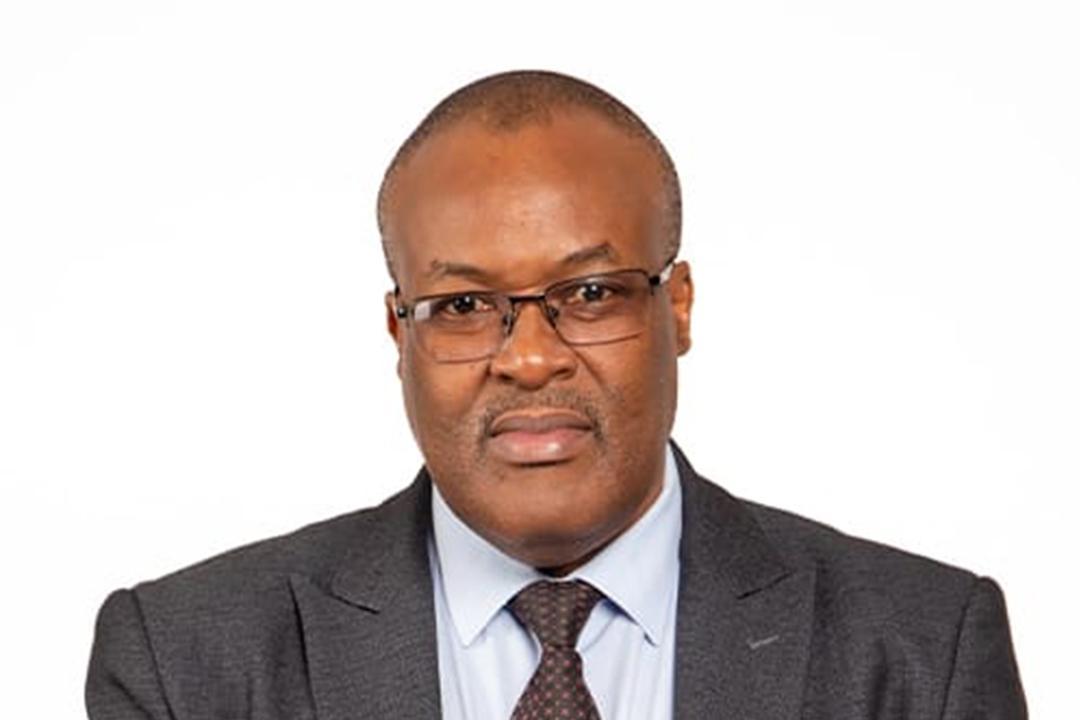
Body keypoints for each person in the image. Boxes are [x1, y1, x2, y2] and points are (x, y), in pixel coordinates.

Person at [86, 70, 1026, 719]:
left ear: (678, 307)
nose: (530, 359)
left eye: (590, 294)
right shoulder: (186, 667)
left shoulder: (920, 655)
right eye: (462, 306)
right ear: (399, 336)